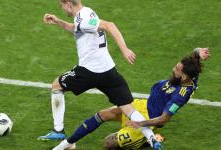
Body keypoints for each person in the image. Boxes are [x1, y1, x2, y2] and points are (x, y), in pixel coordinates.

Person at [38, 0, 162, 149]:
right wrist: (58, 21)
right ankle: (151, 139)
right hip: (109, 71)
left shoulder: (83, 19)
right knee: (128, 108)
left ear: (68, 3)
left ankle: (58, 130)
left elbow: (109, 25)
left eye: (62, 5)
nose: (61, 8)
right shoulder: (86, 13)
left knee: (57, 85)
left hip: (89, 71)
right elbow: (77, 29)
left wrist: (125, 49)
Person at [100, 47, 210, 149]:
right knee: (103, 114)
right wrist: (199, 52)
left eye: (176, 69)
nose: (173, 69)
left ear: (184, 76)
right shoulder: (191, 76)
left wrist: (140, 123)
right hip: (143, 105)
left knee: (108, 143)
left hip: (149, 118)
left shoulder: (179, 96)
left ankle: (145, 140)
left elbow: (164, 119)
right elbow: (195, 55)